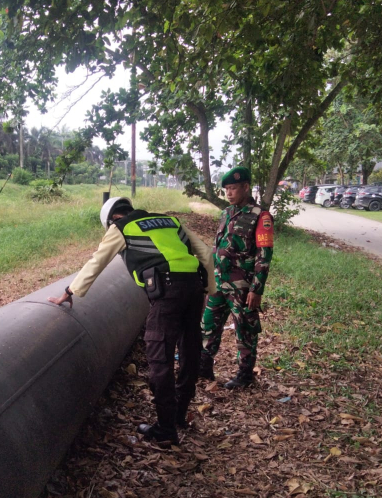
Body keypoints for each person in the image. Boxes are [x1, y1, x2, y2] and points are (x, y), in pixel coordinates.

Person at [49, 197, 217, 444]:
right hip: (193, 288)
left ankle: (166, 429)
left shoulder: (122, 227)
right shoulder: (171, 221)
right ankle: (180, 415)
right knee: (190, 352)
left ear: (111, 219)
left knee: (160, 356)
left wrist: (70, 291)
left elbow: (97, 261)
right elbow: (205, 252)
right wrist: (209, 289)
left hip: (167, 291)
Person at [199, 166, 274, 389]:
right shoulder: (226, 213)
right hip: (218, 282)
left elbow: (264, 255)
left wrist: (256, 289)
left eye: (233, 188)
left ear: (245, 187)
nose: (229, 193)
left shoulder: (260, 216)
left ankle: (245, 375)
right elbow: (216, 247)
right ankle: (203, 367)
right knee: (208, 324)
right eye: (226, 189)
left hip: (242, 286)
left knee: (245, 330)